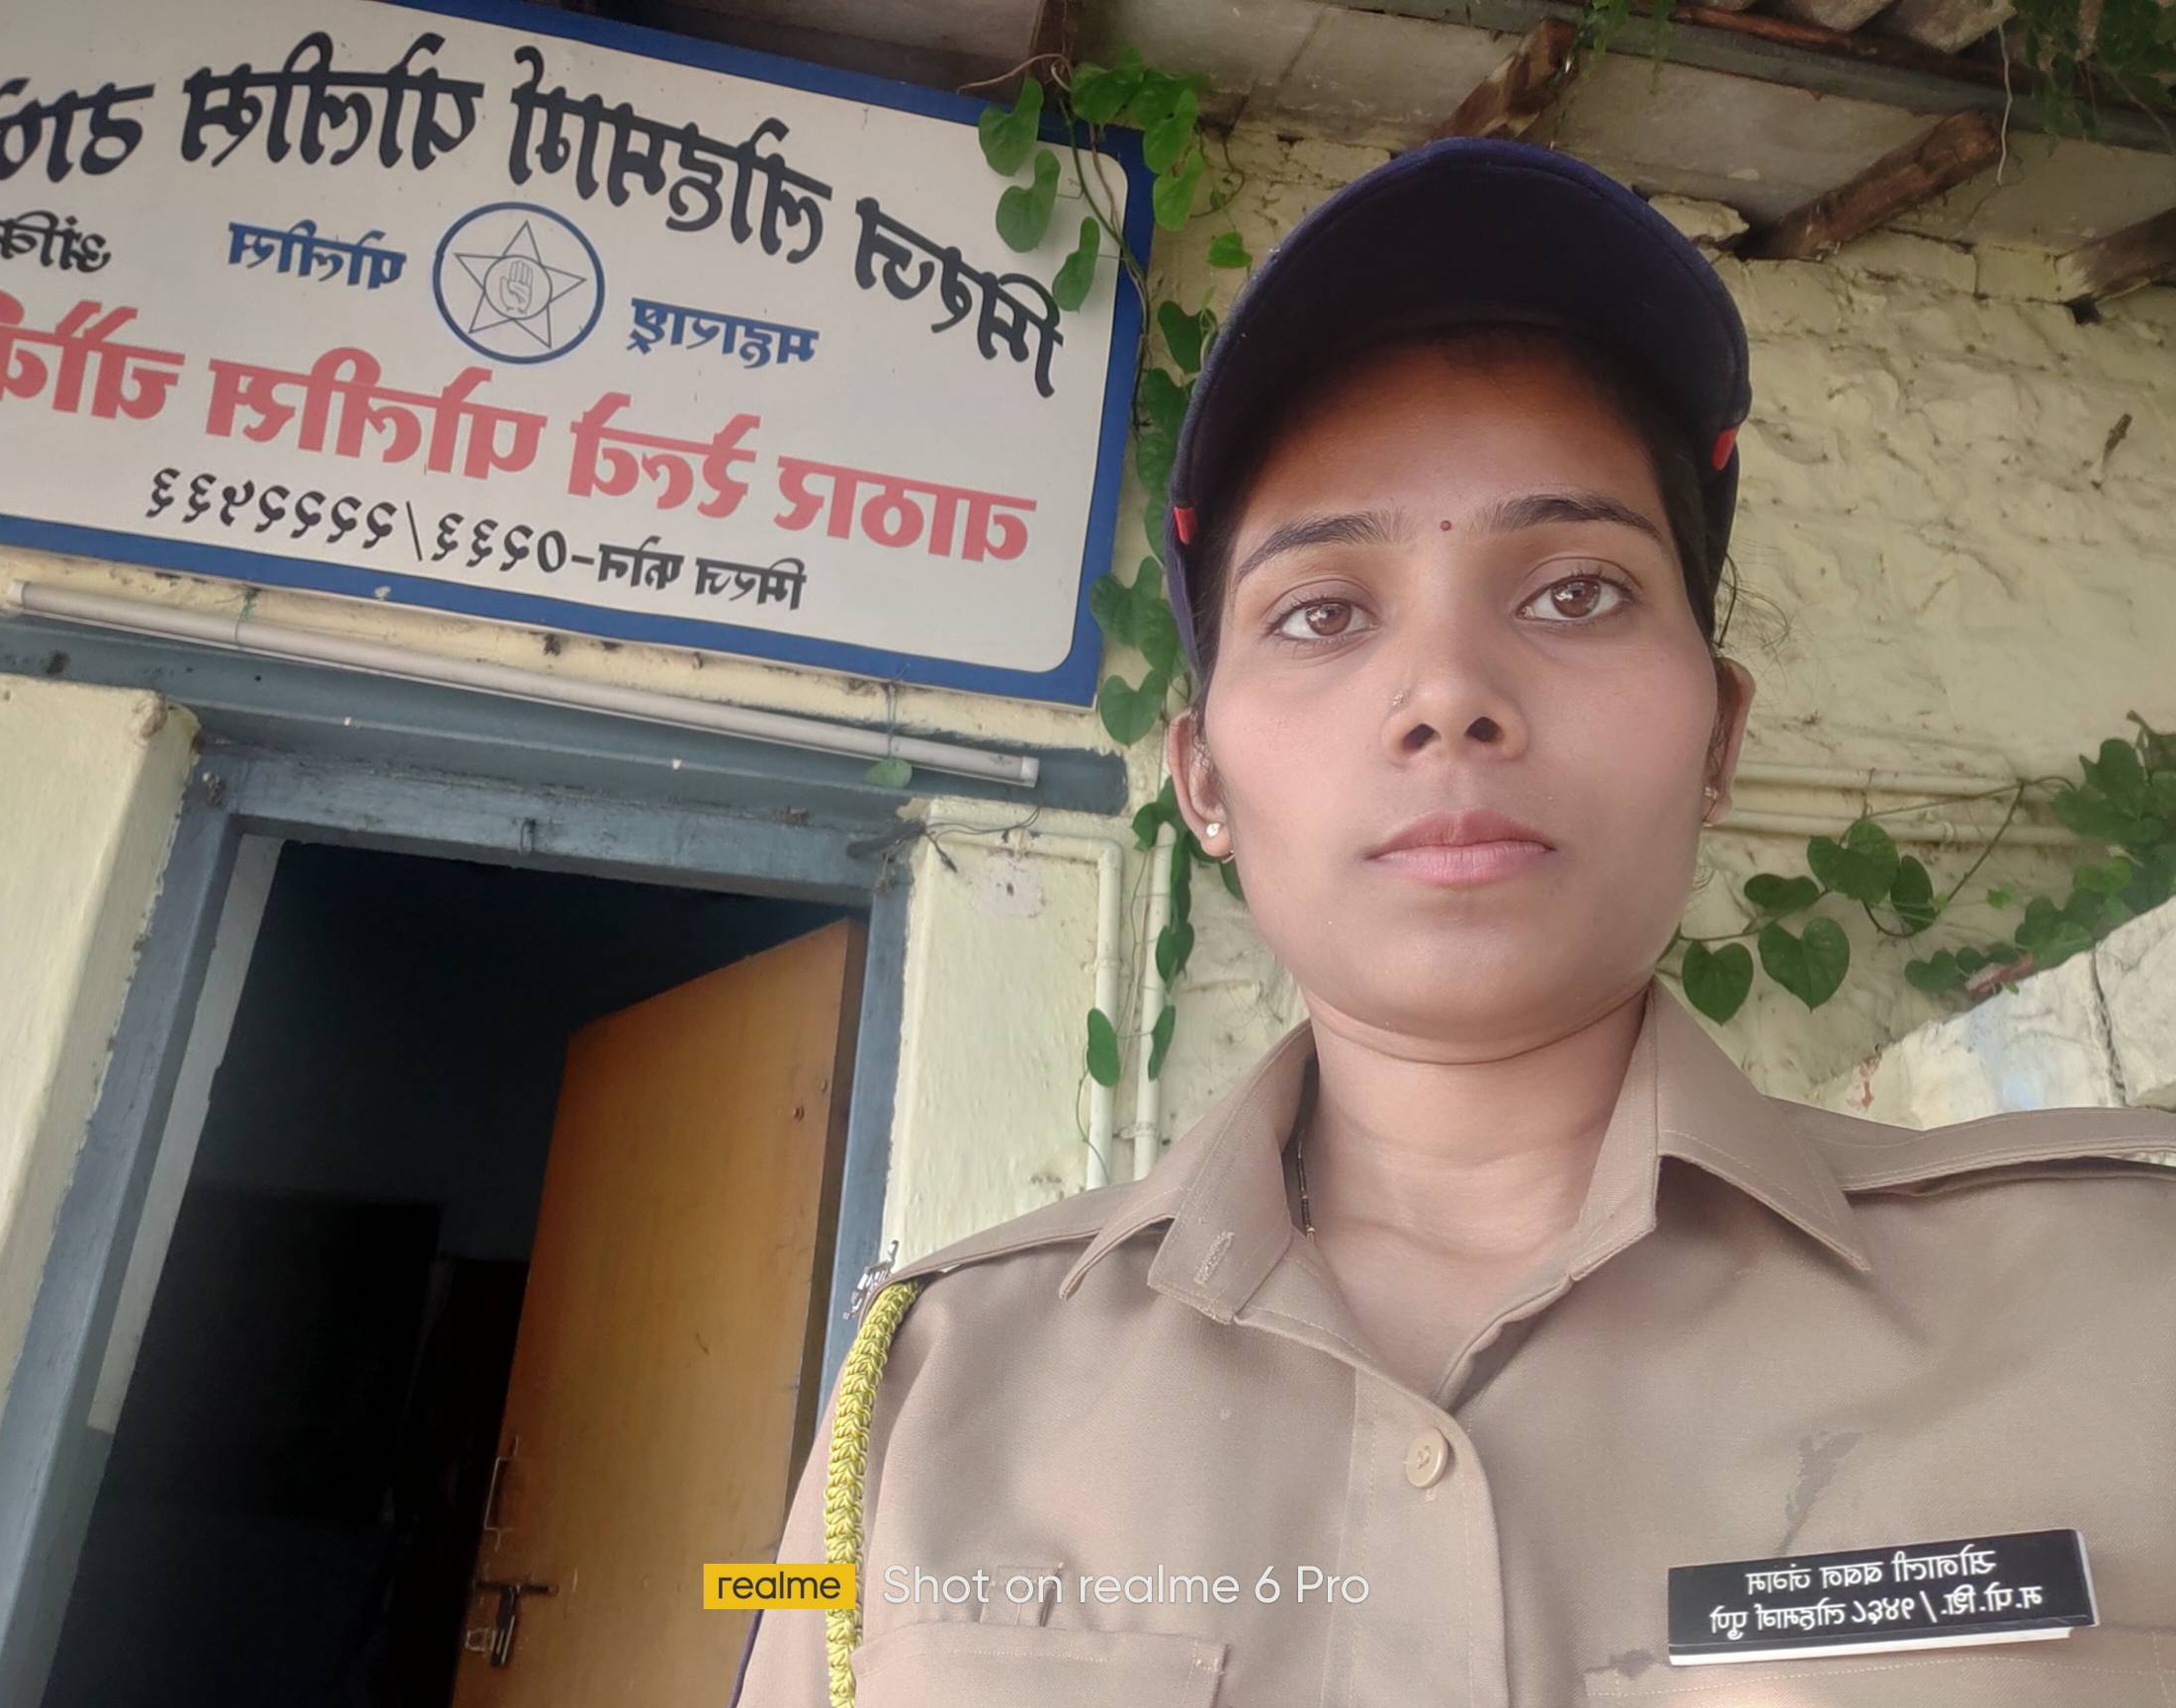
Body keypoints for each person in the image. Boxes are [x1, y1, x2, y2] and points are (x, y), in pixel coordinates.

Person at [732, 135, 2176, 1706]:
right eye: (1321, 612)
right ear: (1203, 779)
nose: (1447, 695)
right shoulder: (926, 1391)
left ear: (1718, 737)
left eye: (1576, 591)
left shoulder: (2124, 1300)